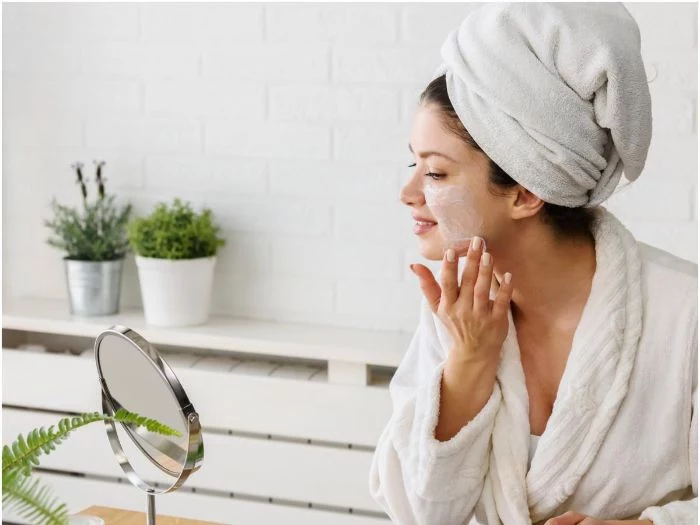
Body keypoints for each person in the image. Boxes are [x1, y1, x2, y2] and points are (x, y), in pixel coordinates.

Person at [369, 3, 697, 525]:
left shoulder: (685, 317)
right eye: (415, 163)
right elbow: (423, 514)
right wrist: (469, 361)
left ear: (524, 193)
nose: (408, 193)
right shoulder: (460, 314)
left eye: (435, 173)